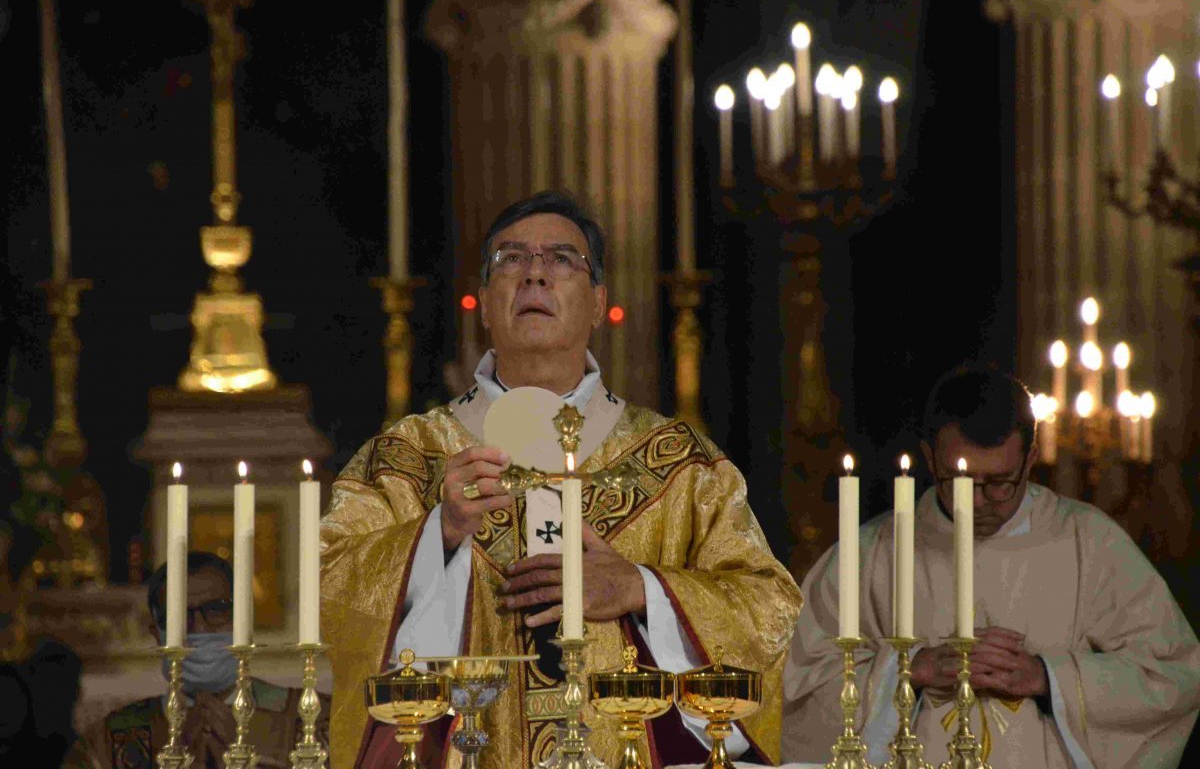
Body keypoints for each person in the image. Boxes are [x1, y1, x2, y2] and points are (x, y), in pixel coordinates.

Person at [321, 191, 803, 768]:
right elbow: (330, 590)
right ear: (484, 303)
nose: (534, 274)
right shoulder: (406, 458)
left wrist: (642, 590)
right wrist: (438, 536)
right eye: (511, 259)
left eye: (562, 259)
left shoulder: (682, 465)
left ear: (598, 302)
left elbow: (769, 607)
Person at [782, 364, 1200, 768]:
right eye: (959, 482)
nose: (977, 502)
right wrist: (910, 670)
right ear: (930, 459)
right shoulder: (870, 554)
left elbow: (1174, 676)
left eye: (1000, 483)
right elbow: (795, 695)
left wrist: (1048, 678)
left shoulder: (1089, 542)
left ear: (1031, 457)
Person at [62, 551, 329, 768]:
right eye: (179, 615)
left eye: (216, 609)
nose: (198, 629)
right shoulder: (108, 742)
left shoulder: (318, 722)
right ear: (156, 632)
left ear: (243, 622)